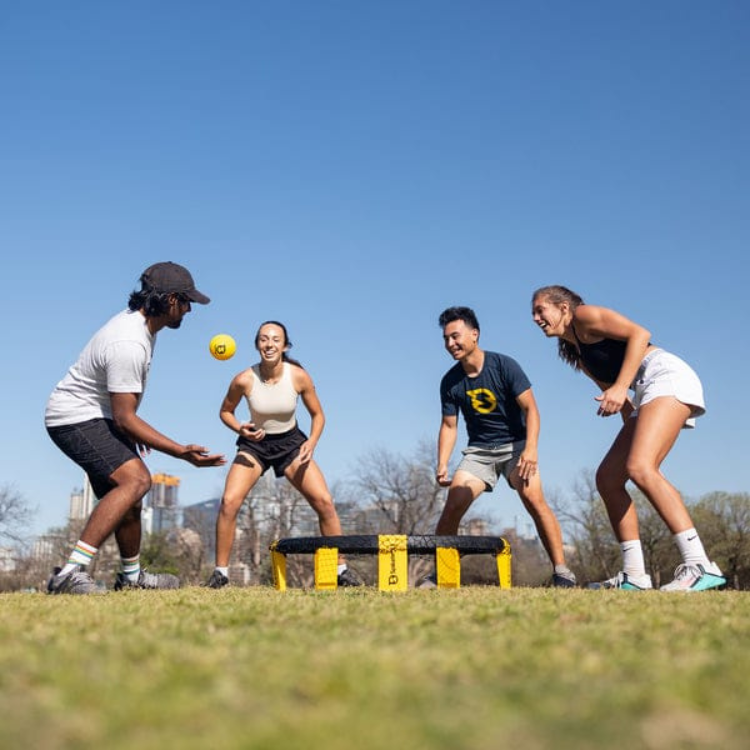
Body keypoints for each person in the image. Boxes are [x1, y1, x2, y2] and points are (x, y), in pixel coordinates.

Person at [45, 262, 227, 595]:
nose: (189, 310)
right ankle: (68, 574)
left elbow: (122, 412)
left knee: (128, 497)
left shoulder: (142, 328)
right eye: (187, 302)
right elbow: (125, 416)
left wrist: (127, 430)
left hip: (95, 415)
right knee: (138, 480)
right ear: (170, 300)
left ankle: (131, 578)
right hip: (73, 418)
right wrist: (181, 452)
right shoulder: (129, 342)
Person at [531, 285, 726, 592]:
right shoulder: (579, 355)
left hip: (665, 375)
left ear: (563, 308)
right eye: (534, 313)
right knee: (609, 477)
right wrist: (629, 424)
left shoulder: (585, 315)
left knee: (641, 467)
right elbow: (623, 403)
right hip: (644, 389)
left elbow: (640, 334)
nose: (536, 318)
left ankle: (700, 565)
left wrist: (621, 387)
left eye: (541, 309)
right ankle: (635, 574)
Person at [423, 306, 576, 589]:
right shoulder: (449, 382)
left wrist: (531, 450)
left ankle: (562, 572)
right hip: (480, 451)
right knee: (453, 504)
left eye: (455, 337)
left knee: (533, 499)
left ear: (474, 334)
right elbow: (449, 426)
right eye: (445, 339)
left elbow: (531, 410)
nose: (450, 344)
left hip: (517, 446)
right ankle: (442, 575)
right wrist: (442, 462)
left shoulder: (504, 366)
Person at [206, 321, 362, 588]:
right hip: (255, 444)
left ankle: (341, 571)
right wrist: (240, 428)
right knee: (229, 502)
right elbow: (225, 412)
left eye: (276, 339)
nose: (270, 344)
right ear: (257, 345)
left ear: (285, 345)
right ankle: (221, 573)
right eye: (264, 339)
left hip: (290, 444)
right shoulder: (243, 379)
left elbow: (318, 415)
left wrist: (311, 442)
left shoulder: (298, 376)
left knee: (324, 501)